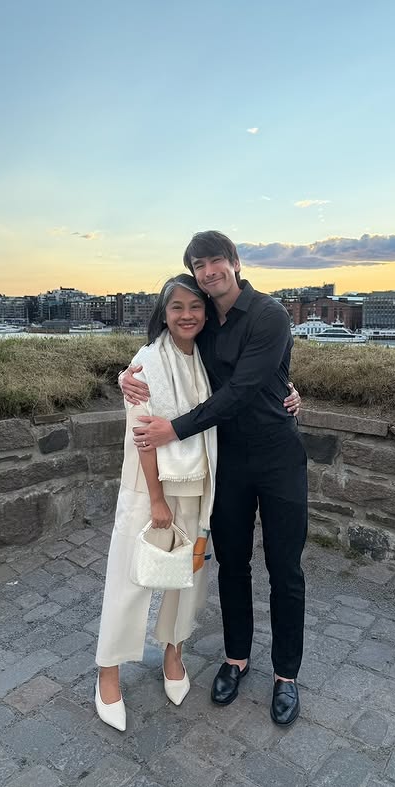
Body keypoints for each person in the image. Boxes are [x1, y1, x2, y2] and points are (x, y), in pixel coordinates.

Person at [121, 230, 308, 726]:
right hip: (227, 460)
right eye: (199, 265)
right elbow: (165, 350)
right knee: (232, 563)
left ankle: (286, 674)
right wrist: (126, 374)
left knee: (285, 568)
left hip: (278, 457)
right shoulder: (203, 319)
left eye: (215, 261)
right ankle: (236, 658)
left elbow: (244, 388)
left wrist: (174, 429)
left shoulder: (269, 314)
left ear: (235, 262)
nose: (208, 272)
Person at [94, 274, 217, 731]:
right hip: (150, 489)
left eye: (195, 306)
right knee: (129, 578)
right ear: (163, 314)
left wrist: (290, 392)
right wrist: (158, 500)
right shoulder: (145, 363)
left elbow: (247, 385)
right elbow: (142, 435)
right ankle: (108, 672)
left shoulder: (209, 357)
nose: (187, 315)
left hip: (199, 484)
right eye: (177, 307)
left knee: (187, 579)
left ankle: (174, 653)